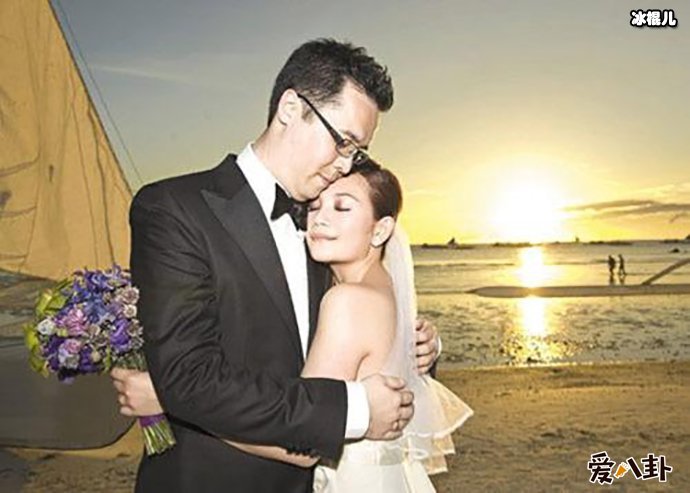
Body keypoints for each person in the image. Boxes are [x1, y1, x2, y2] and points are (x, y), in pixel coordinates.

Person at [116, 39, 440, 492]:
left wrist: (417, 347)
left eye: (357, 152)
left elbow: (366, 326)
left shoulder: (328, 230)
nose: (345, 163)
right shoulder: (174, 209)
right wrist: (357, 410)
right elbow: (190, 378)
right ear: (291, 108)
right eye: (342, 141)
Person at [114, 162, 472, 492]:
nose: (320, 219)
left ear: (380, 229)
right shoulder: (381, 286)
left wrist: (172, 399)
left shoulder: (347, 300)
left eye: (342, 207)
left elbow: (303, 444)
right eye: (314, 207)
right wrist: (428, 347)